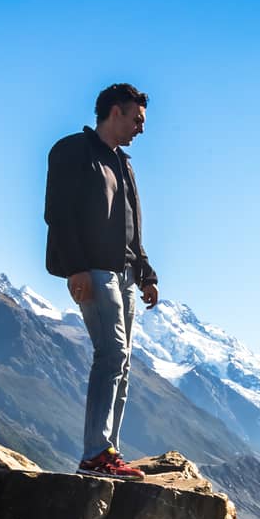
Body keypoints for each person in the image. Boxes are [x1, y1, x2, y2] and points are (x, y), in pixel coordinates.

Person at [44, 83, 161, 480]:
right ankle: (95, 453)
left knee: (122, 364)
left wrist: (145, 272)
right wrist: (76, 268)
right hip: (93, 270)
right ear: (116, 112)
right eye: (137, 119)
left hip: (125, 275)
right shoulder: (71, 151)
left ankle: (107, 449)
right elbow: (58, 214)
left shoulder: (124, 164)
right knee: (110, 355)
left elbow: (132, 226)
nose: (141, 128)